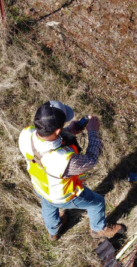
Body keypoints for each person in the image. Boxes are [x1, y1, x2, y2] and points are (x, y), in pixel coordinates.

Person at [19, 100, 125, 241]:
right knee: (97, 202)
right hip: (63, 196)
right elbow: (91, 160)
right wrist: (93, 132)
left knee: (48, 205)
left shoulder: (26, 134)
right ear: (57, 130)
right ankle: (98, 229)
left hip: (40, 187)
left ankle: (53, 230)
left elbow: (47, 140)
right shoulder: (64, 159)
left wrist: (68, 131)